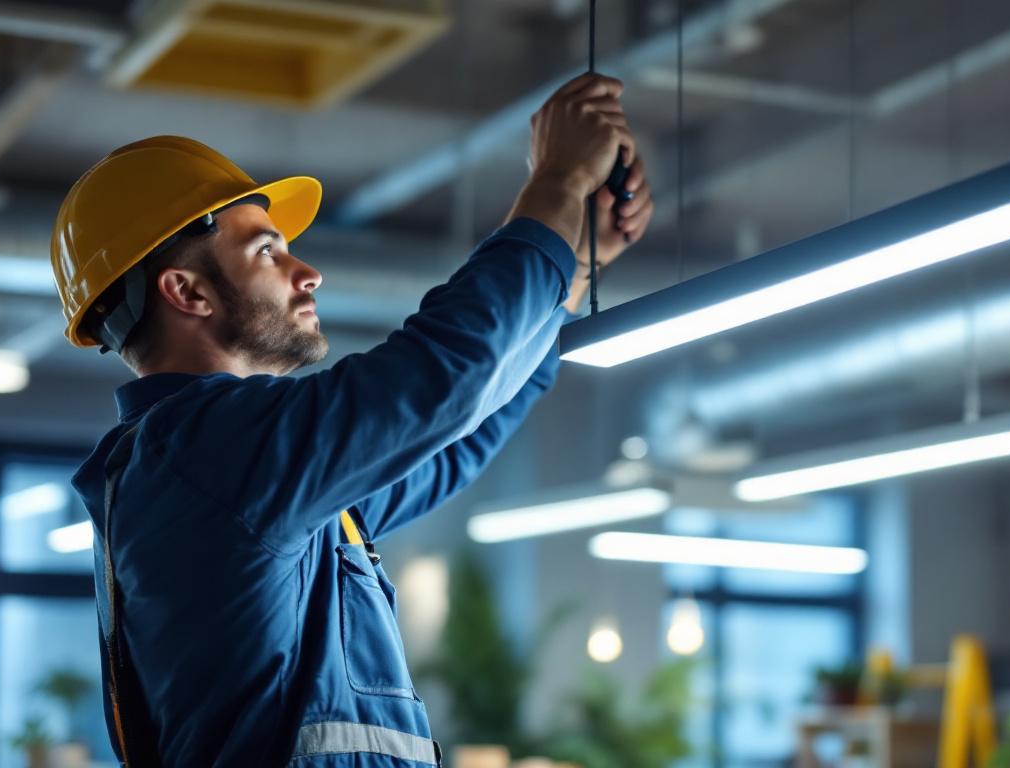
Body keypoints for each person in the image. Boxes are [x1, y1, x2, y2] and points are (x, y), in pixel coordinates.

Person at [50, 73, 654, 766]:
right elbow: (437, 380)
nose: (306, 272)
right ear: (186, 291)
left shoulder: (245, 477)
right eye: (267, 251)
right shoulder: (204, 452)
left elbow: (452, 435)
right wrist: (554, 183)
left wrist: (571, 268)